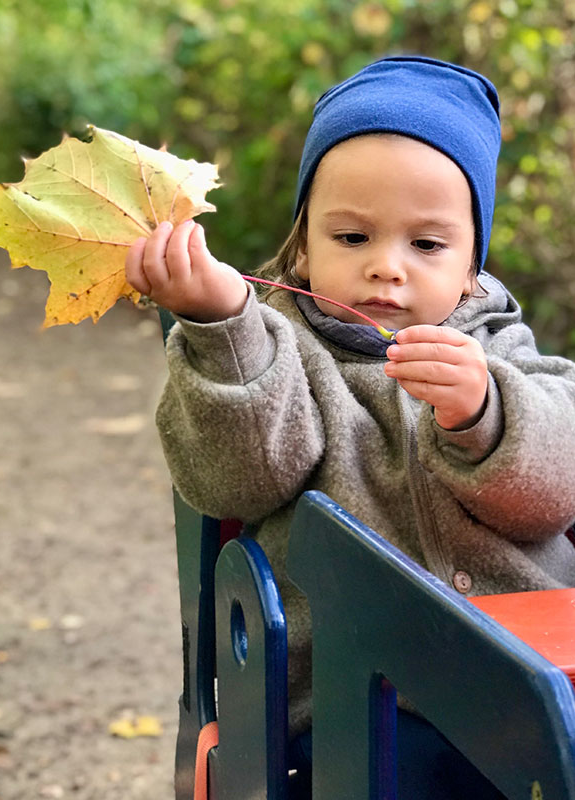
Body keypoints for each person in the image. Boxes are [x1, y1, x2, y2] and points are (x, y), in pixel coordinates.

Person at [125, 56, 575, 798]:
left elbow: (554, 495)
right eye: (353, 238)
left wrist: (485, 413)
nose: (387, 269)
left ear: (472, 267)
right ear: (303, 246)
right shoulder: (276, 348)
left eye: (426, 244)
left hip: (530, 676)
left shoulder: (504, 356)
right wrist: (221, 328)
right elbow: (234, 479)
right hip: (353, 702)